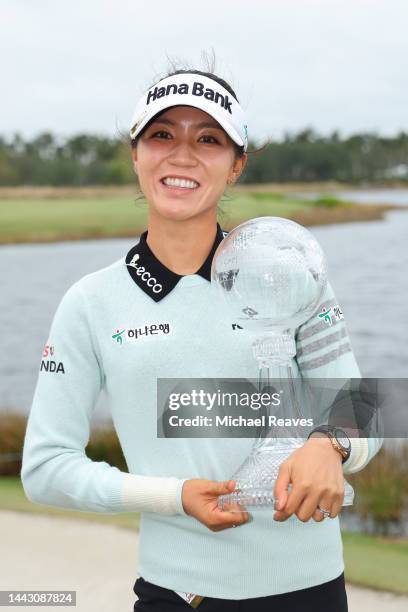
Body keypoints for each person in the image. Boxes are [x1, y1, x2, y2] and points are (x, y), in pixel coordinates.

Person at [21, 66, 383, 612]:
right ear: (136, 155)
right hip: (178, 592)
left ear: (237, 164)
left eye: (208, 139)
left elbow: (365, 402)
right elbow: (46, 469)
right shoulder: (91, 303)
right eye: (162, 135)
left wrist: (329, 443)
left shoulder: (289, 274)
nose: (183, 155)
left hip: (311, 588)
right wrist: (172, 496)